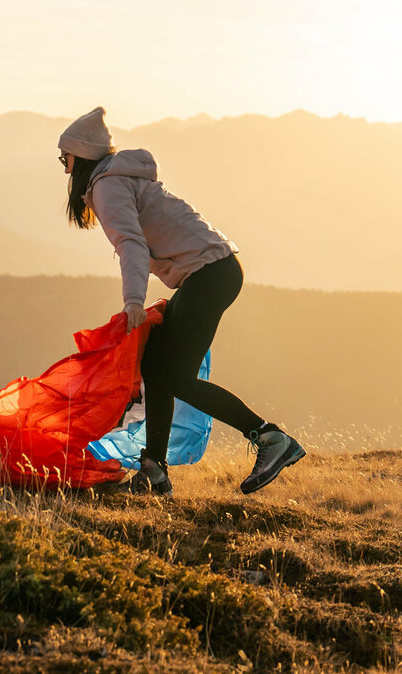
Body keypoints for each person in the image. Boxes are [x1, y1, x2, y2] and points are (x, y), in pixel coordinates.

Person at [58, 106, 304, 495]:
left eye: (65, 159)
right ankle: (154, 469)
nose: (65, 169)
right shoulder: (117, 179)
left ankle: (271, 438)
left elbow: (131, 244)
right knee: (157, 365)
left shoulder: (107, 185)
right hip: (214, 270)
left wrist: (134, 302)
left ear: (81, 156)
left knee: (174, 375)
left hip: (210, 273)